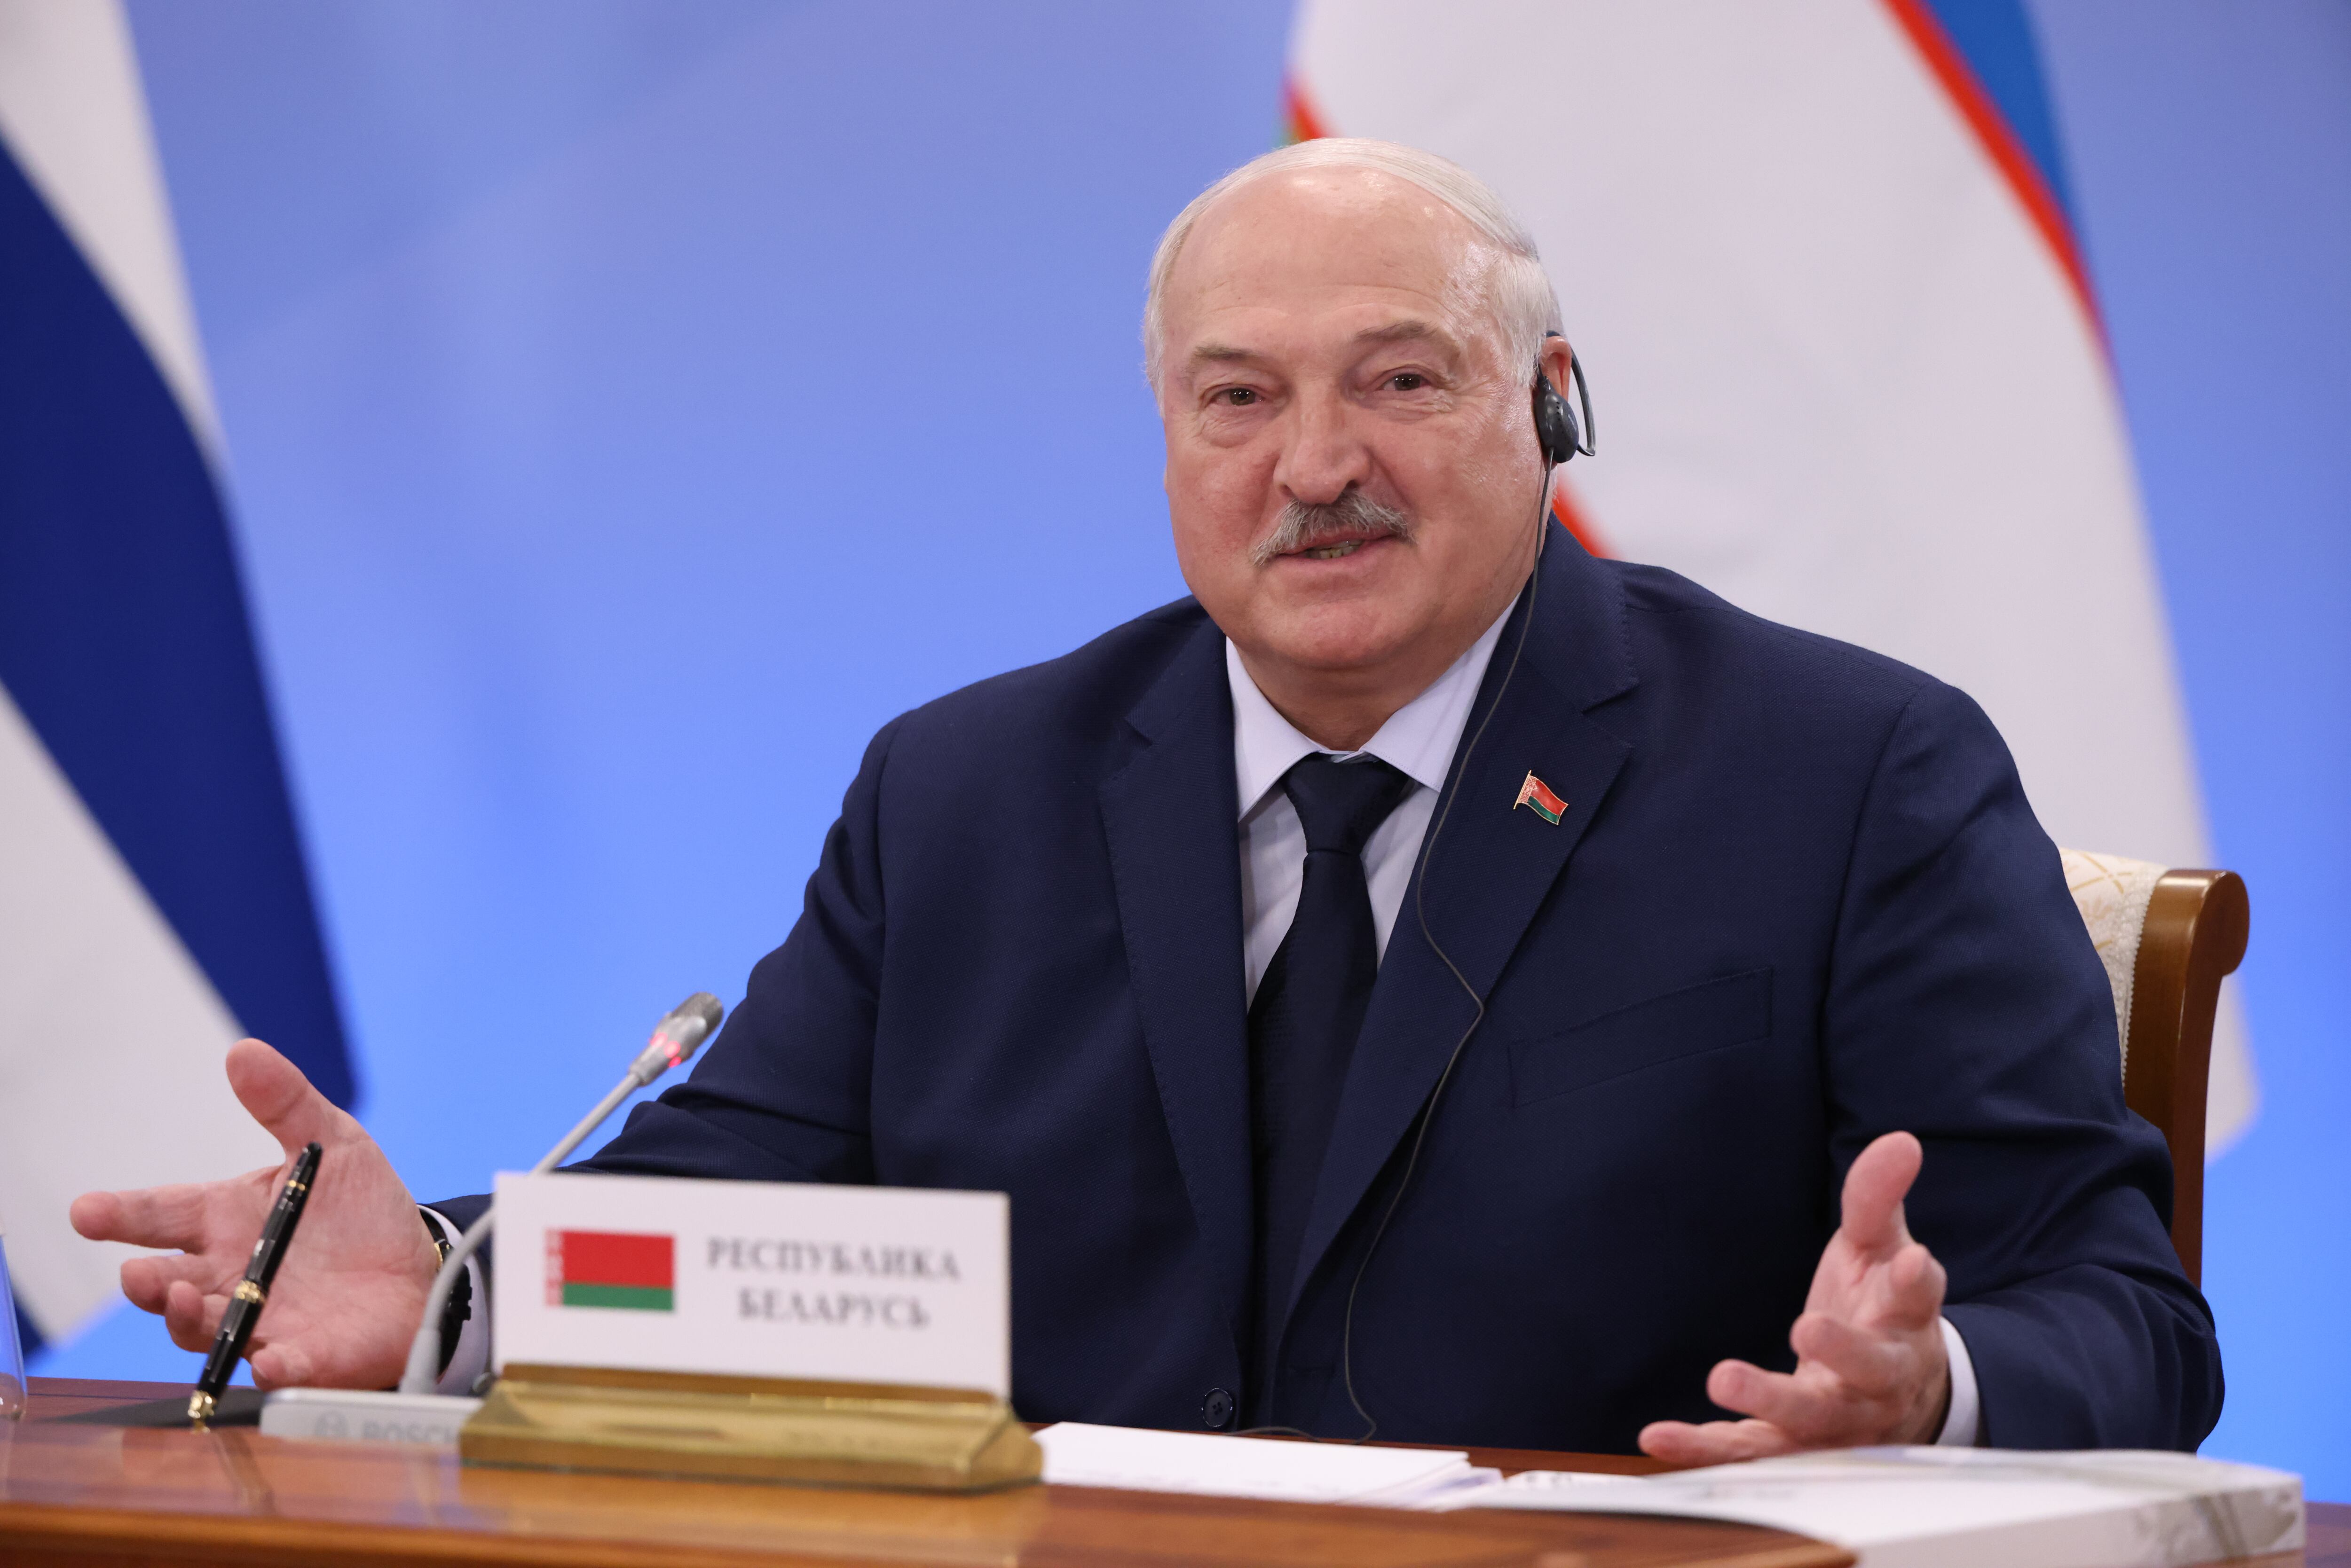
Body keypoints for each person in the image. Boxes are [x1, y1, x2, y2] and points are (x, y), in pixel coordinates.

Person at [71, 139, 2221, 1458]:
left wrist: (1915, 1398)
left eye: (1400, 377)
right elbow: (723, 1236)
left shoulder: (1847, 773)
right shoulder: (965, 795)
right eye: (1237, 399)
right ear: (1166, 444)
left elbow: (2116, 1321)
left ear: (1551, 412)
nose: (1314, 465)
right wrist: (439, 1290)